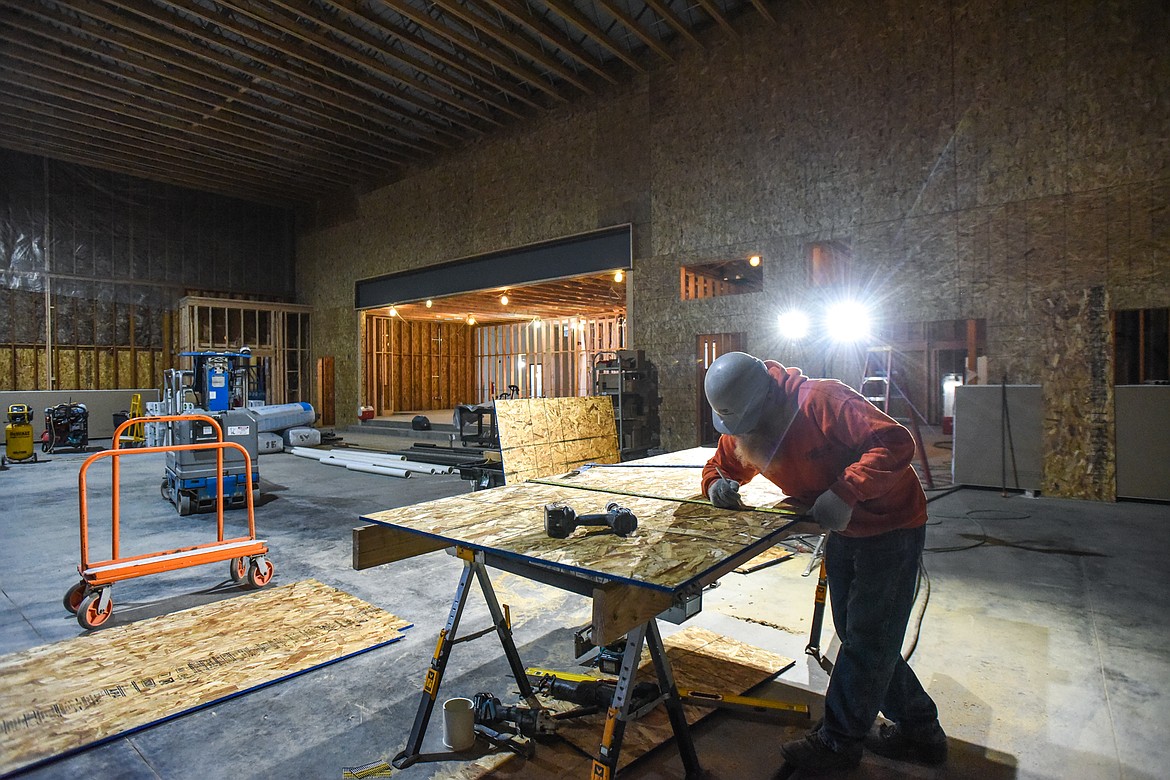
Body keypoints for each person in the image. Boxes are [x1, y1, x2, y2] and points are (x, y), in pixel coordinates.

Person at [701, 351, 946, 773]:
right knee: (863, 636)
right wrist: (715, 486)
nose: (746, 433)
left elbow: (895, 441)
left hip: (892, 527)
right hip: (844, 530)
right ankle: (920, 731)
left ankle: (838, 744)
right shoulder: (747, 417)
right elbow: (722, 463)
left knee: (867, 640)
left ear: (768, 400)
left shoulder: (822, 402)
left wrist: (846, 490)